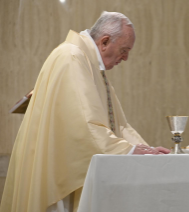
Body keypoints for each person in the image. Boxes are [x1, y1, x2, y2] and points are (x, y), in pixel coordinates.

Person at [0, 11, 170, 212]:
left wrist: (144, 149)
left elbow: (117, 124)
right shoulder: (72, 57)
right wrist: (130, 150)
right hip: (58, 173)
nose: (125, 58)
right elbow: (84, 126)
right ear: (105, 41)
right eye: (124, 50)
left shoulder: (89, 64)